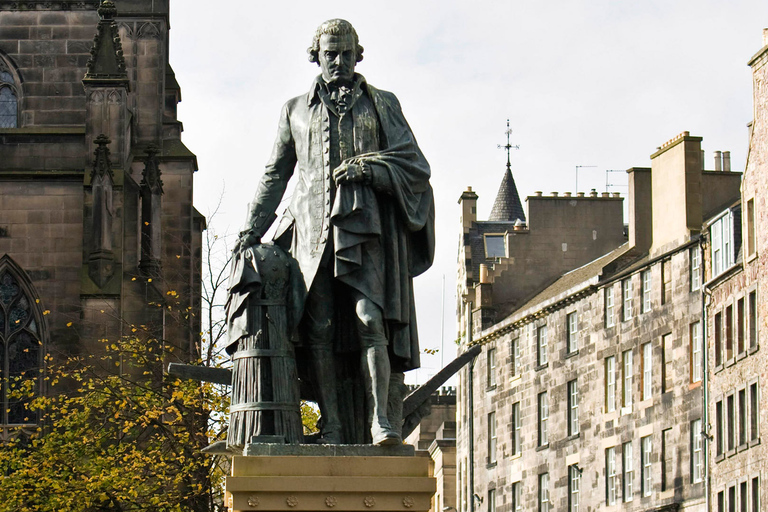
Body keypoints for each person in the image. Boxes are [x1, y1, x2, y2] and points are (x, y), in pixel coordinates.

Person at [239, 19, 434, 445]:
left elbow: (415, 165)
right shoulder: (294, 109)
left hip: (367, 232)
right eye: (331, 54)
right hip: (310, 235)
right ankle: (332, 424)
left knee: (370, 320)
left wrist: (370, 169)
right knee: (319, 328)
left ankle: (382, 422)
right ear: (317, 56)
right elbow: (276, 174)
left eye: (347, 53)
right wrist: (251, 228)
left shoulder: (382, 104)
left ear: (357, 55)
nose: (339, 62)